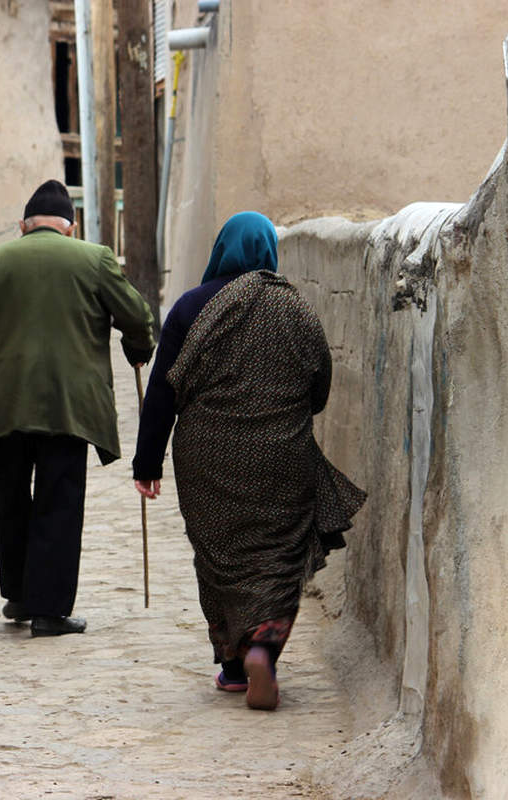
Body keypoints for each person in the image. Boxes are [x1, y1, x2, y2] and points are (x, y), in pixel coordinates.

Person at [132, 211, 365, 709]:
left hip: (206, 460)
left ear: (222, 249)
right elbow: (319, 387)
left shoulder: (192, 307)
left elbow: (162, 392)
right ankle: (265, 646)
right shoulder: (294, 308)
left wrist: (146, 464)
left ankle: (235, 667)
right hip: (281, 456)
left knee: (221, 559)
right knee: (279, 556)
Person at [0, 180, 156, 637]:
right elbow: (137, 316)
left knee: (11, 496)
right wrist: (138, 348)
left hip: (5, 404)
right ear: (70, 228)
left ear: (24, 226)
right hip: (70, 405)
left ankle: (19, 596)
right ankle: (49, 610)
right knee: (59, 500)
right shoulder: (93, 257)